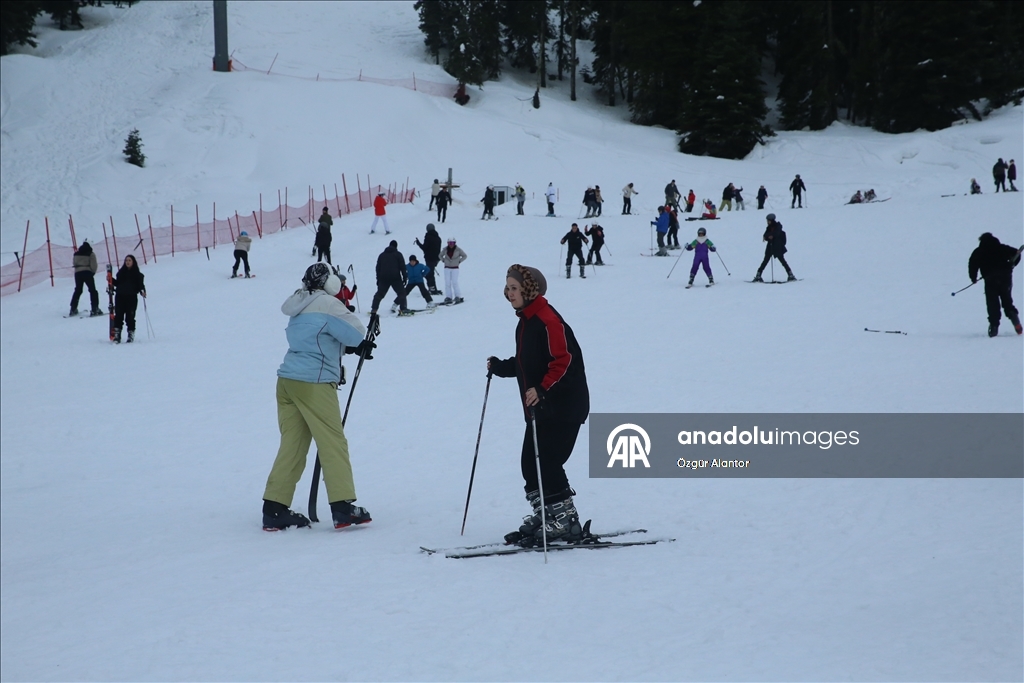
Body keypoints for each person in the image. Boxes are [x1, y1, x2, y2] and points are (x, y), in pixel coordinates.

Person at [261, 263, 374, 531]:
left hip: (287, 382)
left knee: (293, 445)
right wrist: (358, 345)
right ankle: (342, 507)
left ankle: (274, 509)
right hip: (314, 383)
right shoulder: (329, 303)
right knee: (332, 442)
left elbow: (315, 338)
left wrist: (346, 348)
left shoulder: (299, 304)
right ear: (329, 282)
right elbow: (356, 332)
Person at [487, 265, 590, 545]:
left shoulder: (548, 320)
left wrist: (543, 389)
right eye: (508, 287)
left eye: (514, 288)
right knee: (530, 465)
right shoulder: (527, 321)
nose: (509, 293)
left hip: (564, 406)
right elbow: (529, 363)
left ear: (529, 290)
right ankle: (547, 515)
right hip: (542, 408)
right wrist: (502, 367)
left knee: (547, 462)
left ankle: (566, 521)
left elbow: (564, 361)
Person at [968, 233, 1023, 337]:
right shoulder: (1002, 248)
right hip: (1005, 277)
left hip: (990, 280)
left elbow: (972, 264)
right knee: (1007, 300)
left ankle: (994, 327)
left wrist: (973, 278)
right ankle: (1015, 319)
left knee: (992, 303)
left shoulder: (979, 251)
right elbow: (1017, 253)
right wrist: (1012, 264)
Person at [111, 254, 146, 343]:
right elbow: (118, 283)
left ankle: (130, 334)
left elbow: (140, 285)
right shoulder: (121, 273)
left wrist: (142, 291)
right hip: (120, 296)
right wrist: (111, 280)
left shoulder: (137, 274)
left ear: (133, 262)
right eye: (126, 260)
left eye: (129, 260)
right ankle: (117, 334)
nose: (128, 262)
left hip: (131, 297)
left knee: (130, 316)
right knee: (118, 316)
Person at [370, 240, 410, 316]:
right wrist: (405, 277)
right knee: (401, 293)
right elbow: (402, 267)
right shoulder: (398, 254)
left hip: (384, 278)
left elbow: (378, 268)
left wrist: (378, 279)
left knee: (379, 294)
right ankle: (403, 308)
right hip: (395, 277)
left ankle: (374, 309)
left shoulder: (382, 255)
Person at [753, 213, 796, 282]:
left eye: (768, 221)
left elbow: (776, 234)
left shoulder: (778, 226)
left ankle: (790, 274)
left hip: (777, 247)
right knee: (765, 261)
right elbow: (765, 235)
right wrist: (769, 236)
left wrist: (770, 236)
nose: (767, 222)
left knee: (783, 261)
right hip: (770, 247)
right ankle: (758, 275)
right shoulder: (769, 228)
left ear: (772, 220)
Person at [69, 240, 101, 316]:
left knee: (78, 290)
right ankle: (95, 309)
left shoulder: (76, 254)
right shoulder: (91, 253)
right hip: (87, 273)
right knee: (93, 291)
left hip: (78, 274)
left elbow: (74, 263)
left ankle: (73, 308)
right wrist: (92, 272)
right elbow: (94, 265)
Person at [414, 223, 443, 295]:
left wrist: (418, 243)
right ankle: (433, 288)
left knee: (429, 274)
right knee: (430, 272)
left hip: (429, 258)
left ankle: (432, 289)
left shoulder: (428, 237)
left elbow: (424, 248)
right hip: (436, 258)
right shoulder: (438, 238)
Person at [440, 237, 467, 304]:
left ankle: (457, 296)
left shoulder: (458, 250)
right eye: (449, 243)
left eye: (452, 243)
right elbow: (440, 255)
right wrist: (443, 260)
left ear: (454, 243)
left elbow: (464, 256)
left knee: (454, 282)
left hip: (455, 268)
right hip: (447, 268)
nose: (451, 244)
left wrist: (459, 261)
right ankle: (448, 296)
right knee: (447, 283)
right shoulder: (445, 249)